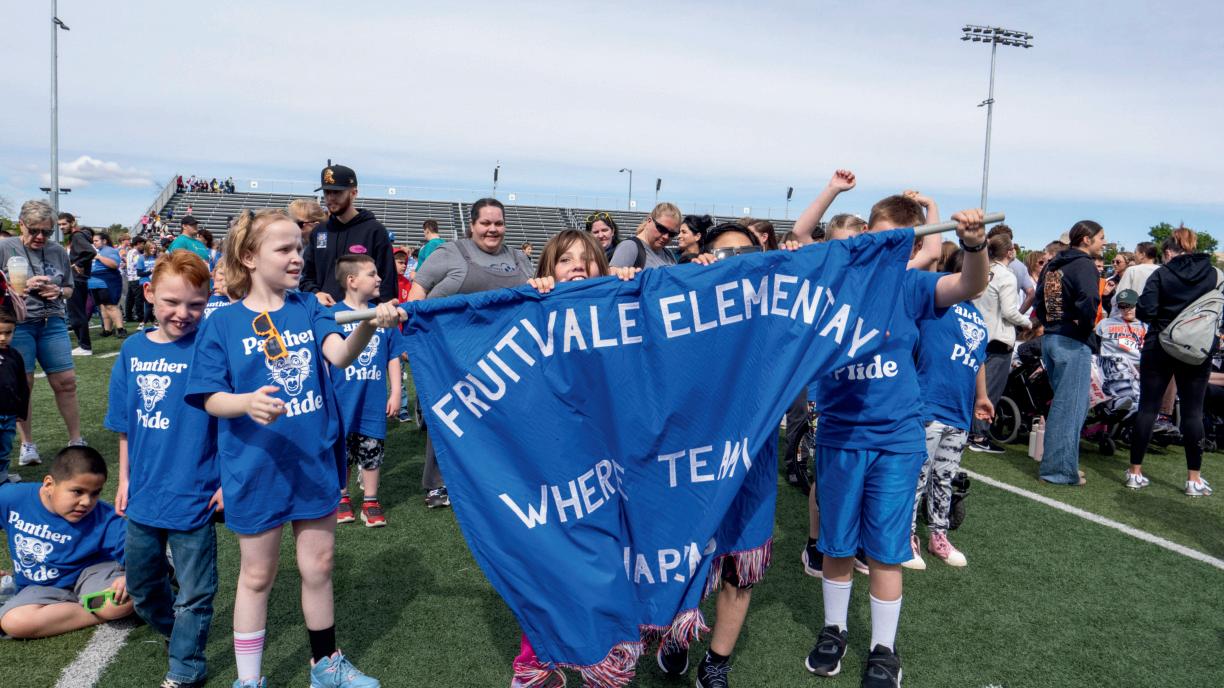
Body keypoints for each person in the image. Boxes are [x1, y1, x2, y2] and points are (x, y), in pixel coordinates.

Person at [185, 208, 398, 688]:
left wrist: (370, 323)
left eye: (298, 248)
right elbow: (209, 397)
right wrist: (245, 403)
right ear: (249, 257)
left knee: (319, 566)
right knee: (257, 575)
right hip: (255, 467)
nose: (297, 257)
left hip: (313, 461)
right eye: (283, 249)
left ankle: (325, 665)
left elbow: (340, 354)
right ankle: (249, 680)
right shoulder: (222, 323)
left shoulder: (310, 307)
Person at [803, 194, 987, 688]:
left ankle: (884, 649)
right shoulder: (833, 282)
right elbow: (796, 247)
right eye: (876, 237)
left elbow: (969, 284)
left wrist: (975, 246)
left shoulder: (909, 284)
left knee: (886, 550)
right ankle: (834, 630)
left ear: (906, 246)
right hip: (841, 435)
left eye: (895, 241)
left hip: (896, 440)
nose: (882, 247)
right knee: (836, 543)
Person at [105, 251, 221, 688]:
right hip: (144, 493)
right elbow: (124, 424)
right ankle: (178, 632)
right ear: (150, 293)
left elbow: (233, 423)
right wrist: (124, 479)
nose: (182, 313)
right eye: (172, 301)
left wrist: (227, 482)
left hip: (195, 492)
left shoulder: (212, 348)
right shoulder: (132, 350)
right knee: (141, 588)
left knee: (196, 593)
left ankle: (186, 666)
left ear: (208, 301)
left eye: (195, 304)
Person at [409, 198, 533, 509]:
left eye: (498, 223)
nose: (493, 229)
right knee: (451, 418)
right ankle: (438, 485)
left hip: (505, 354)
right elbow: (417, 292)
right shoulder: (450, 252)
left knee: (503, 420)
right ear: (472, 225)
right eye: (485, 223)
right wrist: (414, 335)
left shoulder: (519, 258)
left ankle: (498, 481)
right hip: (452, 354)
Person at [903, 249, 992, 571]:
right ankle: (904, 535)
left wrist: (981, 396)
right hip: (929, 405)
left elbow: (978, 358)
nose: (986, 279)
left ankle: (938, 535)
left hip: (959, 412)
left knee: (944, 478)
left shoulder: (978, 317)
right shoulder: (938, 298)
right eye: (983, 272)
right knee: (917, 475)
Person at [0, 446, 132, 639]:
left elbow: (142, 554)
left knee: (120, 601)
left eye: (95, 493)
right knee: (15, 622)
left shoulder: (105, 518)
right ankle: (91, 607)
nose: (86, 501)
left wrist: (131, 578)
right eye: (78, 491)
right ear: (49, 484)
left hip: (93, 574)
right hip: (39, 587)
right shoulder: (12, 498)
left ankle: (92, 608)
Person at [1127, 227, 1217, 496]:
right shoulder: (1214, 273)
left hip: (1160, 344)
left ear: (1168, 252)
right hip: (1198, 348)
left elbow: (1145, 311)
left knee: (1148, 408)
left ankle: (1135, 472)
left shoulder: (1161, 274)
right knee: (1193, 412)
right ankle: (1193, 479)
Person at [0, 201, 85, 466]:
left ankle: (76, 440)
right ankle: (27, 444)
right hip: (18, 323)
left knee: (66, 382)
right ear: (21, 224)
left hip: (53, 322)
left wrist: (58, 291)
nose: (40, 237)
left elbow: (69, 288)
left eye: (47, 232)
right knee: (23, 385)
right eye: (34, 230)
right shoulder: (5, 247)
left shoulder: (57, 251)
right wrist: (18, 286)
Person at [329, 254, 407, 528]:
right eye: (372, 274)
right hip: (340, 401)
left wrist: (396, 392)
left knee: (372, 450)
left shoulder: (383, 315)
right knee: (341, 451)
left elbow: (393, 356)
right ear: (352, 281)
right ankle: (342, 496)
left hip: (372, 401)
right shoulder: (332, 316)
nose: (379, 278)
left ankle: (371, 501)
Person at [1033, 220, 1107, 486]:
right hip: (1071, 341)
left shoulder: (1054, 263)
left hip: (1052, 337)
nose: (1104, 243)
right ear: (1086, 239)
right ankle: (1059, 471)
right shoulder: (1084, 265)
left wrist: (1051, 323)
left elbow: (1039, 299)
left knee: (1070, 405)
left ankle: (1065, 465)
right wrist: (1084, 327)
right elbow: (1089, 299)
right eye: (1101, 238)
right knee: (1070, 407)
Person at [300, 165, 397, 306]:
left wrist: (380, 313)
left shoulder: (375, 231)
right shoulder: (319, 232)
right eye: (327, 192)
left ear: (353, 193)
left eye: (337, 192)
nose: (330, 198)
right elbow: (306, 277)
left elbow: (387, 281)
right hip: (325, 314)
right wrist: (316, 294)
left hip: (364, 316)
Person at [968, 234, 1030, 452]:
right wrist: (1028, 323)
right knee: (989, 390)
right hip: (997, 338)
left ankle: (969, 431)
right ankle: (978, 435)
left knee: (973, 388)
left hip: (977, 334)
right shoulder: (1006, 275)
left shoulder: (984, 270)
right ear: (1010, 252)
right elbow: (1010, 311)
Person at [1094, 289, 1146, 419]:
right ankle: (1121, 402)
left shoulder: (1146, 326)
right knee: (1117, 361)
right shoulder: (1105, 323)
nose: (1127, 310)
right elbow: (1093, 345)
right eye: (1122, 306)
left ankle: (1130, 407)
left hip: (1137, 367)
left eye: (1130, 306)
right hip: (1109, 365)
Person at [0, 310, 30, 484]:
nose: (3, 337)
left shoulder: (15, 356)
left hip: (9, 415)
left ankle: (2, 477)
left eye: (8, 333)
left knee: (5, 448)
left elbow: (23, 386)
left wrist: (21, 410)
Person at [608, 202, 682, 269]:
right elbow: (613, 278)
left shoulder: (668, 254)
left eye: (672, 234)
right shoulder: (629, 247)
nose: (666, 237)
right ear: (649, 221)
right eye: (662, 229)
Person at [61, 213, 95, 355]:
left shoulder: (77, 236)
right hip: (78, 279)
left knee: (76, 314)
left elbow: (90, 252)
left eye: (64, 224)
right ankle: (84, 345)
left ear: (72, 222)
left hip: (76, 279)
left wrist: (78, 264)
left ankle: (85, 346)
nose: (61, 227)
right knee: (77, 313)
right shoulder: (77, 236)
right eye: (59, 225)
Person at [87, 233, 126, 339]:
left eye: (96, 241)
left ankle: (121, 329)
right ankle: (107, 330)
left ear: (104, 241)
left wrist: (99, 257)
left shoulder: (110, 250)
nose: (94, 243)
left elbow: (114, 264)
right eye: (93, 241)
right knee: (103, 307)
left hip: (106, 282)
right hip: (94, 283)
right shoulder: (97, 251)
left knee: (110, 306)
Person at [1113, 242, 1159, 317]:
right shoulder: (1162, 271)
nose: (1134, 255)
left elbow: (1120, 295)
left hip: (1136, 316)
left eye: (1135, 252)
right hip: (1157, 315)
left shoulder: (1132, 270)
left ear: (1142, 255)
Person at [123, 236, 147, 324]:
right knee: (138, 298)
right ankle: (140, 316)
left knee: (130, 298)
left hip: (131, 277)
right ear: (138, 243)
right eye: (143, 244)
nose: (143, 246)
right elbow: (138, 264)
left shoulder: (130, 251)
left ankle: (128, 316)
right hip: (136, 278)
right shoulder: (136, 253)